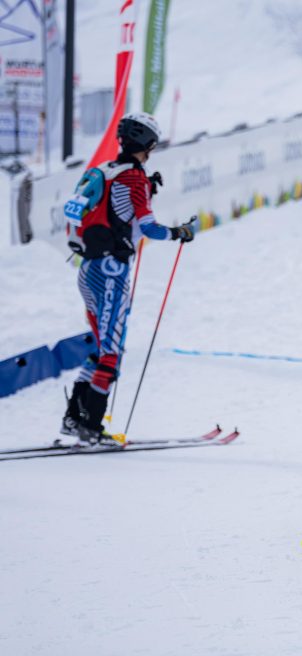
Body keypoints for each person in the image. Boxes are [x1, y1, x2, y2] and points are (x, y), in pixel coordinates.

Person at [61, 112, 197, 445]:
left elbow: (115, 213)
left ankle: (74, 419)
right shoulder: (134, 178)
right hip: (111, 272)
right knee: (111, 351)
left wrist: (147, 190)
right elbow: (148, 227)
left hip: (89, 269)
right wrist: (179, 231)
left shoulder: (109, 170)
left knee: (103, 346)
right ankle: (91, 426)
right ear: (148, 144)